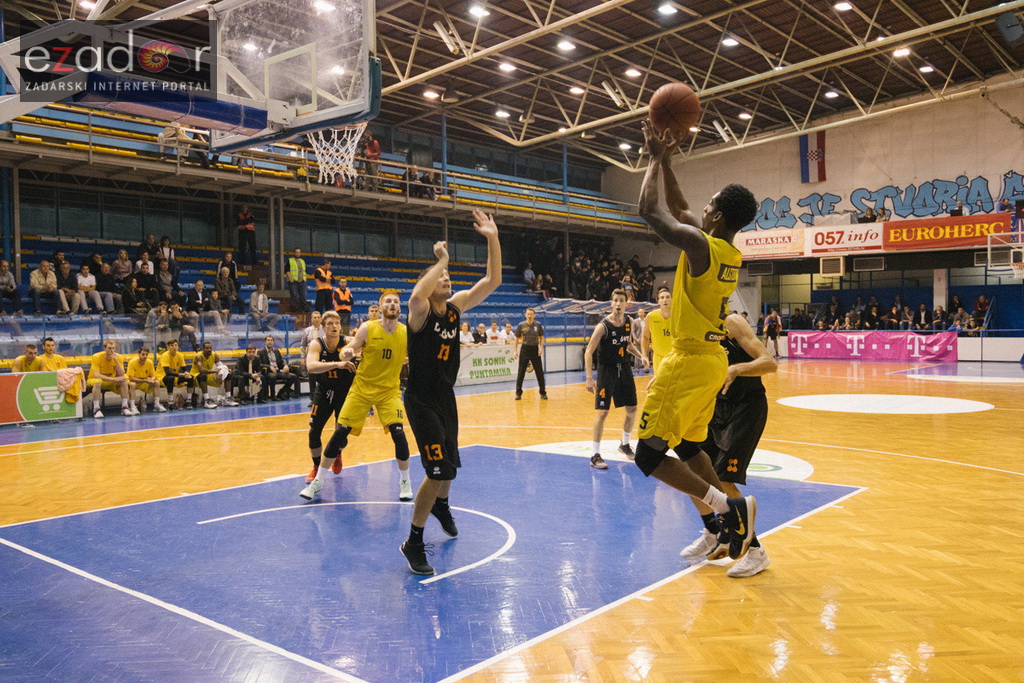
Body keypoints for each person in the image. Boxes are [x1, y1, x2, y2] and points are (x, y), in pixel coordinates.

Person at [634, 119, 759, 562]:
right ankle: (730, 534)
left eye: (710, 207)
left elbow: (653, 212)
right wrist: (666, 161)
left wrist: (651, 158)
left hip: (688, 361)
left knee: (647, 457)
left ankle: (730, 509)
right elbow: (684, 209)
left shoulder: (702, 249)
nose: (702, 210)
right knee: (689, 447)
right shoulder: (725, 249)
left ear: (720, 216)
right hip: (708, 360)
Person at [400, 209, 501, 576]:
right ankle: (413, 541)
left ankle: (441, 506)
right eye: (441, 276)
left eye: (448, 275)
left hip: (446, 398)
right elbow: (415, 293)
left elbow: (491, 280)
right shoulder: (420, 312)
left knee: (449, 471)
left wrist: (492, 237)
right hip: (421, 400)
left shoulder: (456, 309)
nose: (446, 278)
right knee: (438, 468)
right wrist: (440, 258)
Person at [679, 313, 777, 578]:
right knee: (691, 470)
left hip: (746, 408)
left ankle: (756, 552)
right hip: (715, 407)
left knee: (722, 478)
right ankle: (714, 531)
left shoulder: (732, 323)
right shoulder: (693, 327)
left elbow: (769, 363)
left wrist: (736, 369)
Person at [301, 293, 413, 501]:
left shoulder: (406, 332)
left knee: (398, 432)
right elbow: (350, 348)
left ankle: (405, 481)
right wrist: (346, 354)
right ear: (380, 308)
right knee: (340, 432)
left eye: (396, 302)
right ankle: (318, 481)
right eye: (388, 301)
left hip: (389, 390)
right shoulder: (368, 328)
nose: (392, 304)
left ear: (400, 308)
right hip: (362, 388)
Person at [584, 289, 649, 469]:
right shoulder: (603, 326)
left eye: (622, 301)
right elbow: (589, 351)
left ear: (626, 304)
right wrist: (589, 378)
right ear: (611, 303)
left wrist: (641, 356)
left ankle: (625, 444)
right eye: (616, 301)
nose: (619, 304)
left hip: (624, 369)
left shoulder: (629, 322)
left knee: (632, 408)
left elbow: (627, 345)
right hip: (607, 371)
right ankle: (595, 455)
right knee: (603, 412)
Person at [296, 310, 356, 481]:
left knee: (341, 432)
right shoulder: (317, 344)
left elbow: (366, 345)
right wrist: (338, 364)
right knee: (314, 432)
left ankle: (337, 453)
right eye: (330, 324)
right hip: (324, 391)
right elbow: (311, 366)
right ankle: (316, 467)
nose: (334, 326)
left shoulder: (348, 343)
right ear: (323, 327)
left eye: (337, 323)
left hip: (345, 393)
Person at [88, 340, 136, 418]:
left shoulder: (118, 357)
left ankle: (125, 407)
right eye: (109, 348)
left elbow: (121, 374)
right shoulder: (96, 356)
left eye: (113, 348)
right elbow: (96, 375)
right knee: (97, 382)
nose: (112, 350)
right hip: (96, 380)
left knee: (123, 381)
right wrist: (113, 379)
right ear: (104, 348)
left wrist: (116, 361)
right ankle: (96, 409)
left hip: (111, 381)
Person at [513, 308, 547, 400]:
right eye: (528, 314)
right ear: (525, 315)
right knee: (521, 372)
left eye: (531, 314)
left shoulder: (538, 325)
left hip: (535, 349)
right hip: (525, 349)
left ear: (534, 315)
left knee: (539, 372)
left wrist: (541, 347)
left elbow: (541, 336)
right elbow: (516, 338)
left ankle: (543, 392)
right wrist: (515, 350)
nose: (529, 316)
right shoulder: (521, 325)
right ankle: (518, 393)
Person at [191, 341, 235, 408]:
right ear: (203, 349)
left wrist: (224, 372)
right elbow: (202, 371)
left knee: (228, 375)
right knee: (203, 376)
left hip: (208, 374)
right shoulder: (199, 356)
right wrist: (215, 371)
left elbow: (220, 366)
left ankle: (228, 398)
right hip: (195, 375)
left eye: (210, 348)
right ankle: (207, 400)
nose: (209, 350)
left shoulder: (214, 355)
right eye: (207, 348)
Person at [157, 339, 199, 409]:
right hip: (162, 376)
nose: (174, 347)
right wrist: (180, 374)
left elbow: (184, 368)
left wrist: (186, 373)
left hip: (175, 376)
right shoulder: (165, 356)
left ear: (178, 347)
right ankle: (170, 402)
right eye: (172, 345)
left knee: (190, 378)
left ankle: (189, 401)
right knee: (170, 378)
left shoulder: (180, 355)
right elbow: (167, 372)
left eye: (175, 345)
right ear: (168, 347)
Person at [642, 286, 672, 376]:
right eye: (662, 298)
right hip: (658, 359)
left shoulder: (678, 315)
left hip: (675, 358)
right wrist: (644, 355)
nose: (665, 300)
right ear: (658, 301)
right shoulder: (651, 316)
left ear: (672, 299)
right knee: (660, 388)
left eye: (667, 297)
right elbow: (645, 337)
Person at [258, 335, 299, 401]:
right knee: (273, 376)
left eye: (271, 340)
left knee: (293, 376)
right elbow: (259, 364)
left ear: (273, 342)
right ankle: (273, 396)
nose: (270, 342)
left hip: (278, 371)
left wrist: (285, 365)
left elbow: (281, 362)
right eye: (268, 340)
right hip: (268, 372)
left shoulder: (277, 351)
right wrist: (269, 367)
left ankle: (282, 392)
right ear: (265, 342)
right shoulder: (261, 352)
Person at [127, 346, 166, 413]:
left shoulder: (150, 362)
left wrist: (152, 379)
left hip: (144, 381)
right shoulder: (132, 362)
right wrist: (145, 380)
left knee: (156, 383)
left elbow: (153, 375)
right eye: (143, 354)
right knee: (132, 385)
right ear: (138, 354)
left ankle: (156, 405)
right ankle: (132, 407)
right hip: (134, 381)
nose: (145, 356)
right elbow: (131, 378)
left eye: (146, 355)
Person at [300, 310, 324, 403]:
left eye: (318, 317)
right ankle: (313, 399)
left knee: (322, 378)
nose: (317, 319)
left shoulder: (325, 330)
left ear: (321, 319)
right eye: (315, 317)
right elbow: (303, 345)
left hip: (322, 357)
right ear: (311, 319)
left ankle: (322, 398)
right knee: (312, 379)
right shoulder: (307, 331)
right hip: (310, 357)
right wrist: (303, 357)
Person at [286, 248, 309, 312]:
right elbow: (287, 270)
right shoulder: (290, 260)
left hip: (302, 281)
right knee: (294, 296)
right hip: (294, 281)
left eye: (299, 252)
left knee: (303, 296)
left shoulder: (302, 261)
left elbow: (305, 271)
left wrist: (305, 278)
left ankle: (304, 309)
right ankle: (295, 309)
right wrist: (290, 278)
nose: (297, 253)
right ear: (294, 253)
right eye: (296, 252)